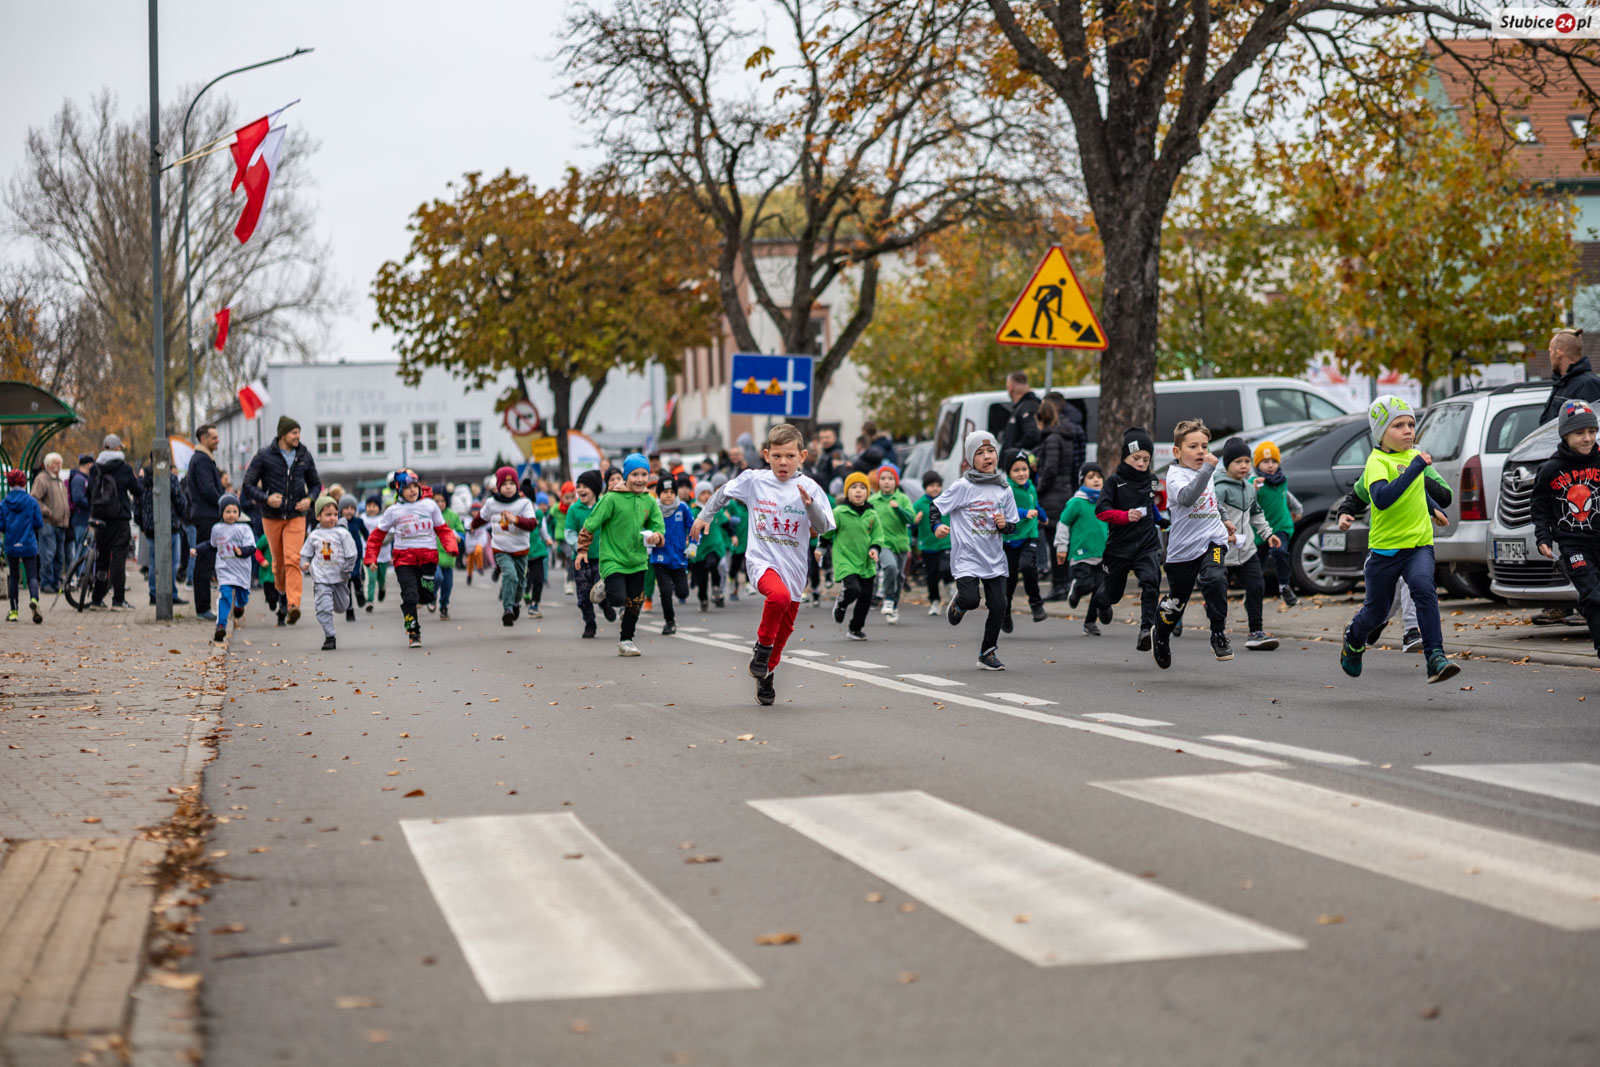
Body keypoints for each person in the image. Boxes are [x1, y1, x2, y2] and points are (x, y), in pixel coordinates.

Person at [693, 425, 833, 704]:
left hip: (794, 568)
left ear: (802, 456)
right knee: (778, 597)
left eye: (790, 456)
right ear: (767, 455)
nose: (783, 462)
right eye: (777, 456)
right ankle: (762, 648)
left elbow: (823, 527)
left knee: (786, 628)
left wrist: (810, 506)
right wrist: (704, 516)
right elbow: (723, 493)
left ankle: (766, 672)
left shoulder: (811, 488)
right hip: (762, 561)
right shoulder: (754, 480)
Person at [1339, 396, 1461, 684]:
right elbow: (1381, 498)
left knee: (1423, 588)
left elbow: (1439, 494)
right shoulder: (1377, 462)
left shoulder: (1415, 458)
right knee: (1377, 611)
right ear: (1381, 433)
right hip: (1385, 549)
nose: (1408, 430)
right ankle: (1354, 638)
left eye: (1411, 424)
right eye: (1398, 425)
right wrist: (1415, 468)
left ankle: (1435, 657)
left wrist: (1431, 505)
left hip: (1418, 544)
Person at [932, 431, 1019, 670]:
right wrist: (937, 525)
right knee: (971, 600)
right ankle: (959, 604)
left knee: (999, 606)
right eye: (980, 453)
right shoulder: (963, 486)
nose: (987, 456)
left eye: (990, 451)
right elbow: (936, 507)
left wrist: (1005, 525)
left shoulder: (1005, 488)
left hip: (994, 558)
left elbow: (1013, 525)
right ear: (971, 459)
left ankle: (987, 653)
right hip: (967, 557)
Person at [1151, 420, 1235, 667]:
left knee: (1215, 578)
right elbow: (1188, 498)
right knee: (1176, 602)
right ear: (1177, 451)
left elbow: (1211, 499)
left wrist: (1224, 518)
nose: (1201, 451)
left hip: (1212, 540)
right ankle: (1161, 635)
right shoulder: (1175, 475)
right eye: (1193, 446)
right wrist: (1207, 469)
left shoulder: (1206, 471)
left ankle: (1218, 634)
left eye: (1204, 446)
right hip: (1183, 549)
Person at [1530, 399, 1600, 661]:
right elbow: (1539, 507)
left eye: (1592, 431)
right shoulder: (1551, 469)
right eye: (1580, 433)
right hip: (1574, 545)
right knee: (1593, 596)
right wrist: (1543, 536)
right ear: (1565, 435)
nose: (1587, 438)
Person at [577, 453, 666, 657]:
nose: (640, 479)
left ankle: (626, 640)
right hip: (613, 559)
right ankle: (605, 585)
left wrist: (657, 536)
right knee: (618, 599)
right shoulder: (611, 498)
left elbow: (658, 526)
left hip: (638, 560)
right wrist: (582, 550)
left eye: (644, 474)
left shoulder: (649, 501)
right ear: (626, 476)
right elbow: (590, 524)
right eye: (635, 474)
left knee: (635, 603)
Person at [362, 469, 458, 649]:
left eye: (415, 486)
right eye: (407, 487)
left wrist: (451, 547)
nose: (413, 490)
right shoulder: (393, 511)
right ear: (399, 490)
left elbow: (443, 529)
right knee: (409, 597)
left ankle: (428, 598)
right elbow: (377, 536)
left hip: (428, 558)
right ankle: (413, 631)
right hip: (404, 560)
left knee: (426, 595)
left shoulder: (430, 506)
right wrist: (371, 558)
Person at [241, 415, 321, 626]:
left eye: (299, 432)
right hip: (272, 516)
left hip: (296, 515)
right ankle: (280, 589)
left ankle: (293, 604)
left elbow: (315, 484)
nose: (298, 436)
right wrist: (266, 498)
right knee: (278, 564)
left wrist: (309, 500)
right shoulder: (264, 456)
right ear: (283, 434)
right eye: (294, 432)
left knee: (293, 558)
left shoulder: (304, 455)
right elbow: (248, 485)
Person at [1089, 428, 1164, 649]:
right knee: (1112, 596)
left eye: (1146, 459)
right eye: (1136, 458)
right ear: (1125, 457)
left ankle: (1146, 630)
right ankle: (1101, 602)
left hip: (1146, 545)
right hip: (1119, 548)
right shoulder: (1114, 482)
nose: (1141, 463)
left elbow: (1149, 506)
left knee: (1151, 581)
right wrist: (1124, 516)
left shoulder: (1152, 480)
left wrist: (1161, 521)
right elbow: (1101, 511)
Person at [1215, 437, 1282, 652]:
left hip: (1246, 550)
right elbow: (1211, 517)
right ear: (1227, 464)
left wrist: (1268, 534)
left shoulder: (1250, 488)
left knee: (1256, 586)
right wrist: (1224, 536)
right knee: (1216, 592)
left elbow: (1257, 515)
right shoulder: (1219, 489)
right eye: (1238, 462)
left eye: (1246, 461)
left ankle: (1256, 632)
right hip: (1222, 552)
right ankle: (1217, 631)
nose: (1244, 466)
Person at [475, 466, 540, 627]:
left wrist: (515, 519)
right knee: (510, 575)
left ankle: (516, 602)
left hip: (520, 548)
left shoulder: (524, 503)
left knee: (521, 582)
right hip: (501, 548)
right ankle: (508, 609)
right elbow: (481, 517)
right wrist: (471, 526)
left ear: (517, 485)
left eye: (511, 484)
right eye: (504, 484)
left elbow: (532, 524)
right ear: (498, 487)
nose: (508, 487)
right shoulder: (492, 503)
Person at [821, 472, 881, 640]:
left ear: (868, 492)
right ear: (847, 492)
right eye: (853, 487)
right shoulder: (839, 512)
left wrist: (875, 548)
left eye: (862, 488)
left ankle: (855, 628)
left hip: (866, 562)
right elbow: (827, 532)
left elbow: (877, 536)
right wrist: (821, 548)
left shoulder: (872, 514)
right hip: (845, 559)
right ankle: (842, 603)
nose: (858, 491)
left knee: (866, 596)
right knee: (854, 589)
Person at [1033, 399, 1081, 599]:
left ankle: (1059, 585)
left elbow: (1050, 469)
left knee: (1055, 542)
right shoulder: (1065, 435)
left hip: (1053, 495)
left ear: (1041, 419)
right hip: (1064, 491)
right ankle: (1066, 582)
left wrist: (1039, 488)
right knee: (1062, 540)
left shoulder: (1052, 438)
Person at [87, 434, 141, 610]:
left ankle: (96, 600)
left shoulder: (95, 468)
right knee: (118, 560)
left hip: (101, 520)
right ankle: (118, 600)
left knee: (102, 559)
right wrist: (138, 479)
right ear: (117, 448)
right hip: (120, 519)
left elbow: (89, 492)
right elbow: (137, 490)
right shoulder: (124, 468)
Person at [299, 495, 359, 651]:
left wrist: (346, 570)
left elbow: (352, 554)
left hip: (340, 578)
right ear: (318, 516)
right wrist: (304, 563)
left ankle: (340, 605)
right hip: (321, 579)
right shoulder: (314, 536)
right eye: (328, 514)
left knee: (341, 606)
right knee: (323, 608)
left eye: (335, 514)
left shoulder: (342, 533)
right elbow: (305, 554)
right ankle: (329, 636)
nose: (332, 518)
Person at [998, 447, 1046, 629]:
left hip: (1029, 535)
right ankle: (1006, 612)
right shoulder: (1006, 490)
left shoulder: (1031, 486)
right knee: (1009, 581)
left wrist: (1043, 517)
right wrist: (1025, 513)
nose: (1021, 473)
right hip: (1010, 539)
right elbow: (1005, 511)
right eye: (1016, 470)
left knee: (1028, 567)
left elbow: (1035, 504)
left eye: (1024, 469)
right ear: (1009, 472)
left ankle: (1036, 604)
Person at [1250, 441, 1302, 607]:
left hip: (1281, 526)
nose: (1270, 465)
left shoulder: (1281, 480)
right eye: (1265, 462)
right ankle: (1255, 592)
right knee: (1258, 564)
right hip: (1260, 530)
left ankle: (1284, 586)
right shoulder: (1254, 482)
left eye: (1273, 461)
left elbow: (1286, 495)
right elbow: (1246, 502)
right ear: (1257, 464)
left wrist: (1297, 509)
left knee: (1280, 552)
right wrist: (1253, 490)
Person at [138, 452, 189, 606]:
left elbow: (137, 503)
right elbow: (180, 500)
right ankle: (170, 593)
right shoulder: (170, 478)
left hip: (150, 527)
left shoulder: (143, 480)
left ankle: (154, 594)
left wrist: (141, 523)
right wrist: (180, 515)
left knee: (154, 562)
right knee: (173, 562)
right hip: (170, 525)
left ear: (150, 460)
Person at [208, 494, 258, 644]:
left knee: (242, 596)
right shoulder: (217, 529)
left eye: (235, 511)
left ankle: (239, 605)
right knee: (225, 595)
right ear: (221, 513)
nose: (231, 515)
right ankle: (220, 626)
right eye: (228, 511)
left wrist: (242, 551)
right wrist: (197, 550)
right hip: (224, 569)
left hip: (241, 570)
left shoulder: (244, 528)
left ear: (239, 513)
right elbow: (212, 546)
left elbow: (252, 548)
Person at [187, 425, 224, 620]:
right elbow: (207, 488)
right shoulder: (202, 460)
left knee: (205, 561)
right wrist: (224, 503)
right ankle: (202, 608)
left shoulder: (203, 459)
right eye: (214, 438)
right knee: (204, 562)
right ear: (203, 439)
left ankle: (203, 607)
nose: (218, 441)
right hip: (206, 516)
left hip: (205, 515)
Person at [869, 464, 913, 623]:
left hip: (900, 543)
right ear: (878, 481)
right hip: (882, 543)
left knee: (899, 577)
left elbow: (911, 519)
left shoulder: (902, 499)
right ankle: (887, 598)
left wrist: (898, 509)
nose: (886, 482)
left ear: (896, 481)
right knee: (890, 566)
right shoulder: (873, 500)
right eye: (883, 478)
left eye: (890, 478)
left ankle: (894, 606)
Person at [650, 477, 693, 635]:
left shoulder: (683, 508)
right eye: (664, 492)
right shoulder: (653, 509)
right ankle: (669, 621)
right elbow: (643, 527)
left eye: (671, 492)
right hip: (659, 558)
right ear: (658, 493)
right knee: (665, 592)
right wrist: (647, 542)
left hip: (678, 558)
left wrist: (693, 545)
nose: (668, 495)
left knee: (682, 593)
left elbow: (693, 528)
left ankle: (675, 585)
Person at [566, 470, 603, 638]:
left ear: (594, 489)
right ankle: (590, 623)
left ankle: (605, 605)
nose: (580, 490)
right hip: (581, 560)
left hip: (602, 558)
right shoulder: (574, 509)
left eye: (585, 486)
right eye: (578, 486)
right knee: (583, 597)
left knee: (602, 590)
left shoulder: (603, 506)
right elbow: (569, 532)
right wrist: (579, 547)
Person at [4, 468, 44, 623]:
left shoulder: (4, 503)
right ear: (24, 483)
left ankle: (14, 611)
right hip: (28, 542)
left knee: (14, 577)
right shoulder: (31, 501)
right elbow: (39, 523)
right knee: (32, 575)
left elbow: (1, 525)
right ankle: (34, 599)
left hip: (11, 543)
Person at [1540, 328, 1600, 425]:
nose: (1550, 356)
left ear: (1558, 353)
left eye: (1550, 351)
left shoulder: (1588, 385)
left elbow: (1594, 426)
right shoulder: (1563, 384)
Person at [913, 470, 951, 614]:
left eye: (938, 485)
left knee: (946, 567)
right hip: (928, 545)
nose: (935, 488)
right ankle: (934, 601)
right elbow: (910, 521)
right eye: (931, 486)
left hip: (946, 543)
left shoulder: (946, 500)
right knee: (931, 576)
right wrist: (914, 520)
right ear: (925, 487)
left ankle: (950, 586)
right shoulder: (919, 504)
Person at [30, 453, 69, 595]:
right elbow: (34, 498)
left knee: (59, 556)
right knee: (48, 554)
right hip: (48, 523)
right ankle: (46, 583)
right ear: (48, 465)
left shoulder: (59, 480)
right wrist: (47, 511)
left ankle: (55, 582)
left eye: (60, 462)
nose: (58, 465)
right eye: (55, 463)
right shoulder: (42, 479)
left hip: (61, 523)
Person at [689, 481, 729, 612]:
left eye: (709, 493)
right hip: (699, 549)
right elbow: (688, 529)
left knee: (712, 563)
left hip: (714, 545)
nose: (706, 496)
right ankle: (703, 599)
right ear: (697, 496)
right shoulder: (694, 512)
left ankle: (716, 587)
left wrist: (733, 535)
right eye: (703, 493)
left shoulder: (716, 510)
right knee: (702, 578)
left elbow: (726, 524)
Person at [434, 487, 465, 622]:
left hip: (449, 556)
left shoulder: (453, 516)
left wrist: (459, 538)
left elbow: (461, 531)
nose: (440, 504)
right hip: (433, 555)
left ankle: (444, 606)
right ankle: (432, 596)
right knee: (437, 577)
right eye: (436, 501)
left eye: (442, 501)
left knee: (447, 585)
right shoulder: (428, 516)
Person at [525, 492, 554, 619]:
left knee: (538, 579)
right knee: (524, 579)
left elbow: (542, 529)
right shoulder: (514, 513)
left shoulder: (538, 513)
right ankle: (520, 597)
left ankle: (534, 605)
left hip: (536, 550)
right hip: (521, 551)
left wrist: (547, 538)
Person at [999, 371, 1042, 453]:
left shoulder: (1028, 407)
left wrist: (1015, 451)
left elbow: (1033, 435)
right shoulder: (1026, 406)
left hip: (1019, 459)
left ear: (1010, 387)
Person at [341, 499, 368, 621]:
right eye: (346, 508)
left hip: (356, 555)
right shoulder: (338, 523)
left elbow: (366, 534)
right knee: (346, 583)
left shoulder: (358, 521)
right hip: (342, 556)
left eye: (352, 508)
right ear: (341, 510)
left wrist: (371, 546)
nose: (349, 511)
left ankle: (359, 591)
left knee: (356, 576)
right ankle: (349, 610)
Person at [363, 496, 390, 609]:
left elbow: (390, 535)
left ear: (379, 507)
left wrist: (378, 542)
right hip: (368, 554)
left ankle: (382, 588)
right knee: (371, 578)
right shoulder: (363, 518)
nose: (371, 508)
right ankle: (369, 600)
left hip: (382, 555)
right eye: (369, 506)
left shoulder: (384, 519)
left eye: (374, 506)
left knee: (381, 578)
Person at [68, 454, 93, 565]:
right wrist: (91, 504)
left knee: (84, 548)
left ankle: (81, 571)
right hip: (80, 519)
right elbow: (78, 498)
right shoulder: (79, 479)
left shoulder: (83, 478)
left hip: (83, 519)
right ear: (89, 464)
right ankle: (79, 571)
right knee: (80, 549)